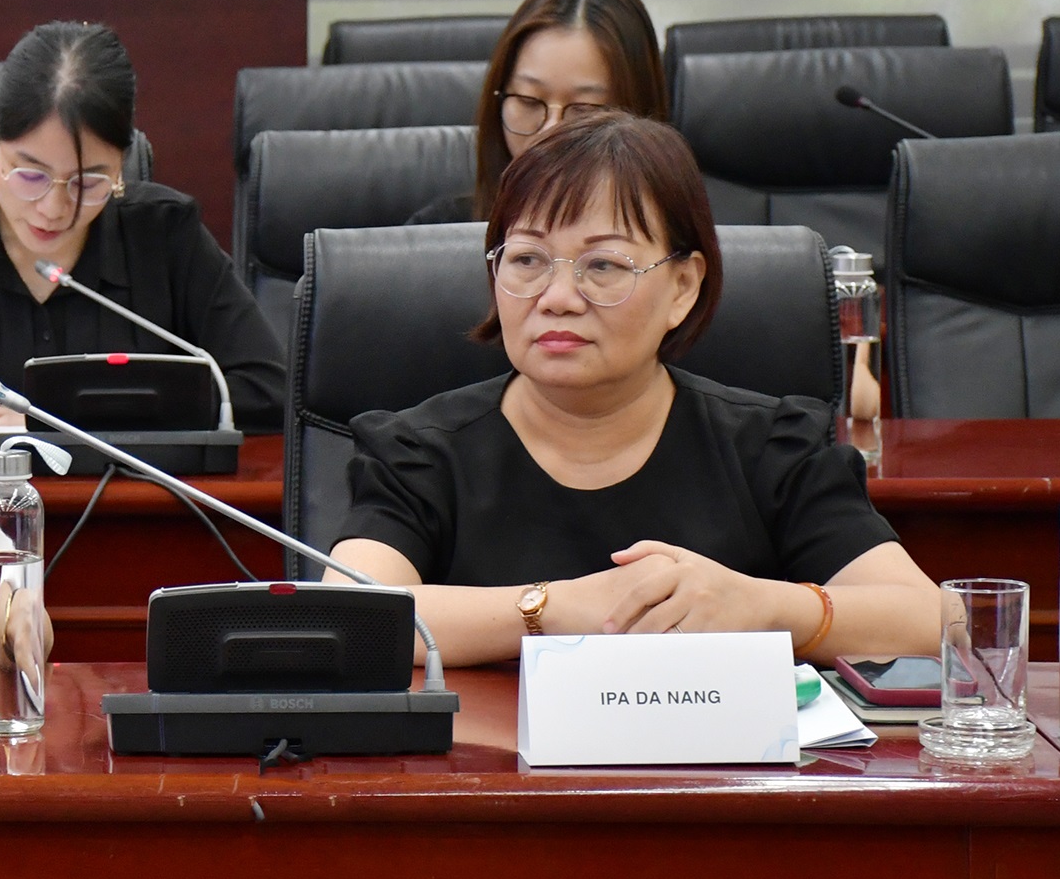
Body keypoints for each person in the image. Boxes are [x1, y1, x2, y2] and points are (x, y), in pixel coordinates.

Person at [330, 112, 938, 667]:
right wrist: (551, 610)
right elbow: (350, 623)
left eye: (604, 266)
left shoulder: (771, 447)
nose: (558, 298)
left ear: (682, 287)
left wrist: (768, 606)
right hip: (490, 779)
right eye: (526, 260)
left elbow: (941, 623)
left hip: (716, 780)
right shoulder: (418, 451)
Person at [0, 21, 287, 432]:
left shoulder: (165, 236)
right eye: (30, 176)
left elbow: (268, 389)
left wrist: (61, 419)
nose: (54, 209)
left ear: (122, 160)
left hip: (133, 498)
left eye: (87, 183)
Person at [407, 0, 665, 225]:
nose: (550, 133)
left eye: (585, 110)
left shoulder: (685, 232)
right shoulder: (440, 231)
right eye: (529, 101)